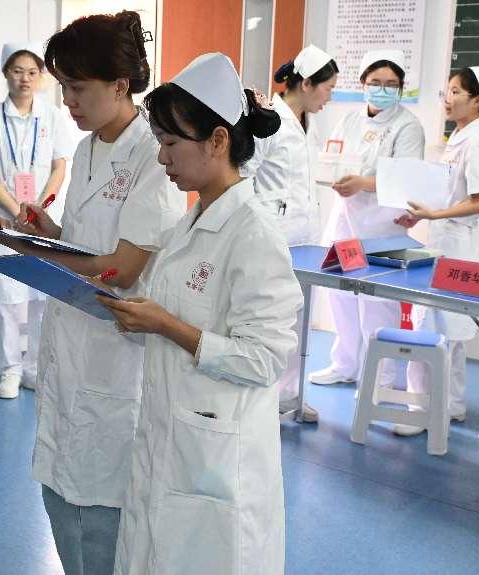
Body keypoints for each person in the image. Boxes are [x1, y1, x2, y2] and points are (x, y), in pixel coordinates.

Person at [0, 12, 185, 574]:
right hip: (71, 341)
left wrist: (30, 252)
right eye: (64, 87)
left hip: (118, 352)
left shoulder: (153, 153)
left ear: (119, 85)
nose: (67, 101)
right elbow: (84, 243)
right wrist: (43, 231)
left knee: (106, 506)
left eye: (77, 88)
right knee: (62, 486)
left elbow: (121, 267)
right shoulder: (91, 146)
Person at [99, 52, 302, 575]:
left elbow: (264, 360)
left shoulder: (254, 233)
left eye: (170, 144)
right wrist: (137, 313)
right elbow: (166, 308)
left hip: (217, 453)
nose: (161, 158)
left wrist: (166, 325)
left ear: (217, 141)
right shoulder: (189, 225)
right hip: (170, 432)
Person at [392, 65, 479, 436]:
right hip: (448, 242)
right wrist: (421, 216)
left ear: (478, 99)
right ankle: (451, 405)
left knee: (438, 327)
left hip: (462, 248)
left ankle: (422, 409)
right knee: (447, 329)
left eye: (457, 92)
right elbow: (450, 194)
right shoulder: (459, 136)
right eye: (448, 90)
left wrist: (435, 215)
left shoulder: (478, 142)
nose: (448, 98)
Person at [310, 49, 425, 389]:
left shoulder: (408, 126)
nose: (382, 89)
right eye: (376, 82)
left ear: (400, 88)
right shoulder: (350, 120)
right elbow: (333, 158)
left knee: (378, 304)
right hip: (346, 220)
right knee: (340, 296)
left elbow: (406, 178)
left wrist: (362, 183)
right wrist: (332, 176)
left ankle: (380, 378)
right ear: (363, 83)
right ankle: (345, 364)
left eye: (391, 84)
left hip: (384, 226)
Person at [0, 42, 73, 399]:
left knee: (43, 296)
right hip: (3, 220)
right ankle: (10, 370)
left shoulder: (53, 117)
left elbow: (59, 167)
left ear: (41, 77)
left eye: (32, 72)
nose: (25, 78)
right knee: (6, 299)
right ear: (5, 74)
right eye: (17, 71)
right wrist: (17, 212)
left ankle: (34, 369)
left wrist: (39, 209)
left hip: (43, 219)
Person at [245, 44, 338, 422]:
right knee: (270, 321)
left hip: (305, 238)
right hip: (274, 236)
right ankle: (262, 402)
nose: (329, 98)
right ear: (307, 83)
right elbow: (246, 172)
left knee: (299, 320)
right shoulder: (271, 119)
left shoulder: (309, 125)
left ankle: (291, 395)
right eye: (327, 89)